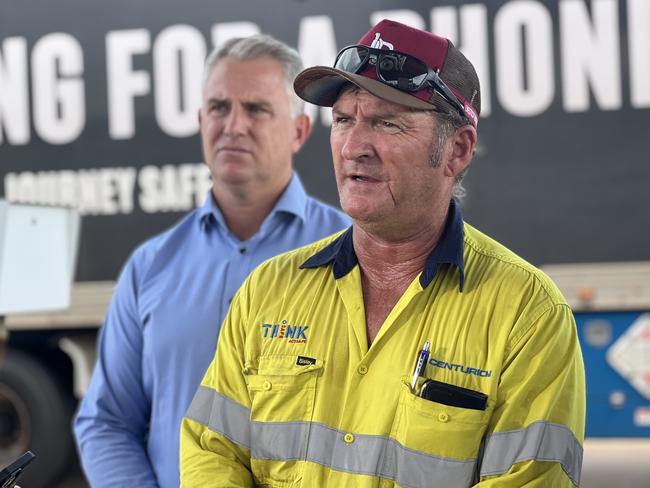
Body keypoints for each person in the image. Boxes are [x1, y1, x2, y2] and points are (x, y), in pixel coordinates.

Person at [180, 19, 585, 488]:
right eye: (345, 120)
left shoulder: (526, 316)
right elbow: (212, 451)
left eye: (387, 123)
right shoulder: (268, 291)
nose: (353, 147)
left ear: (456, 150)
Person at [73, 34, 350, 488]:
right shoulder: (150, 267)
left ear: (300, 131)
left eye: (256, 109)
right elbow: (106, 423)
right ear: (201, 121)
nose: (233, 125)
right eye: (219, 108)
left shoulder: (351, 250)